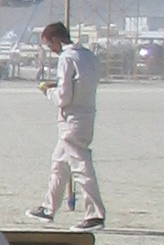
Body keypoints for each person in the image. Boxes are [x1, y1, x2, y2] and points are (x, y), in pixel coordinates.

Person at [29, 20, 106, 230]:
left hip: (72, 120)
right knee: (59, 164)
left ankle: (95, 214)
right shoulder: (88, 56)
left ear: (56, 40)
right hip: (86, 115)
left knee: (81, 167)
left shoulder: (67, 58)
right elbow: (81, 84)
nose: (50, 50)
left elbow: (64, 97)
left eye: (49, 45)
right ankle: (48, 208)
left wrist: (48, 91)